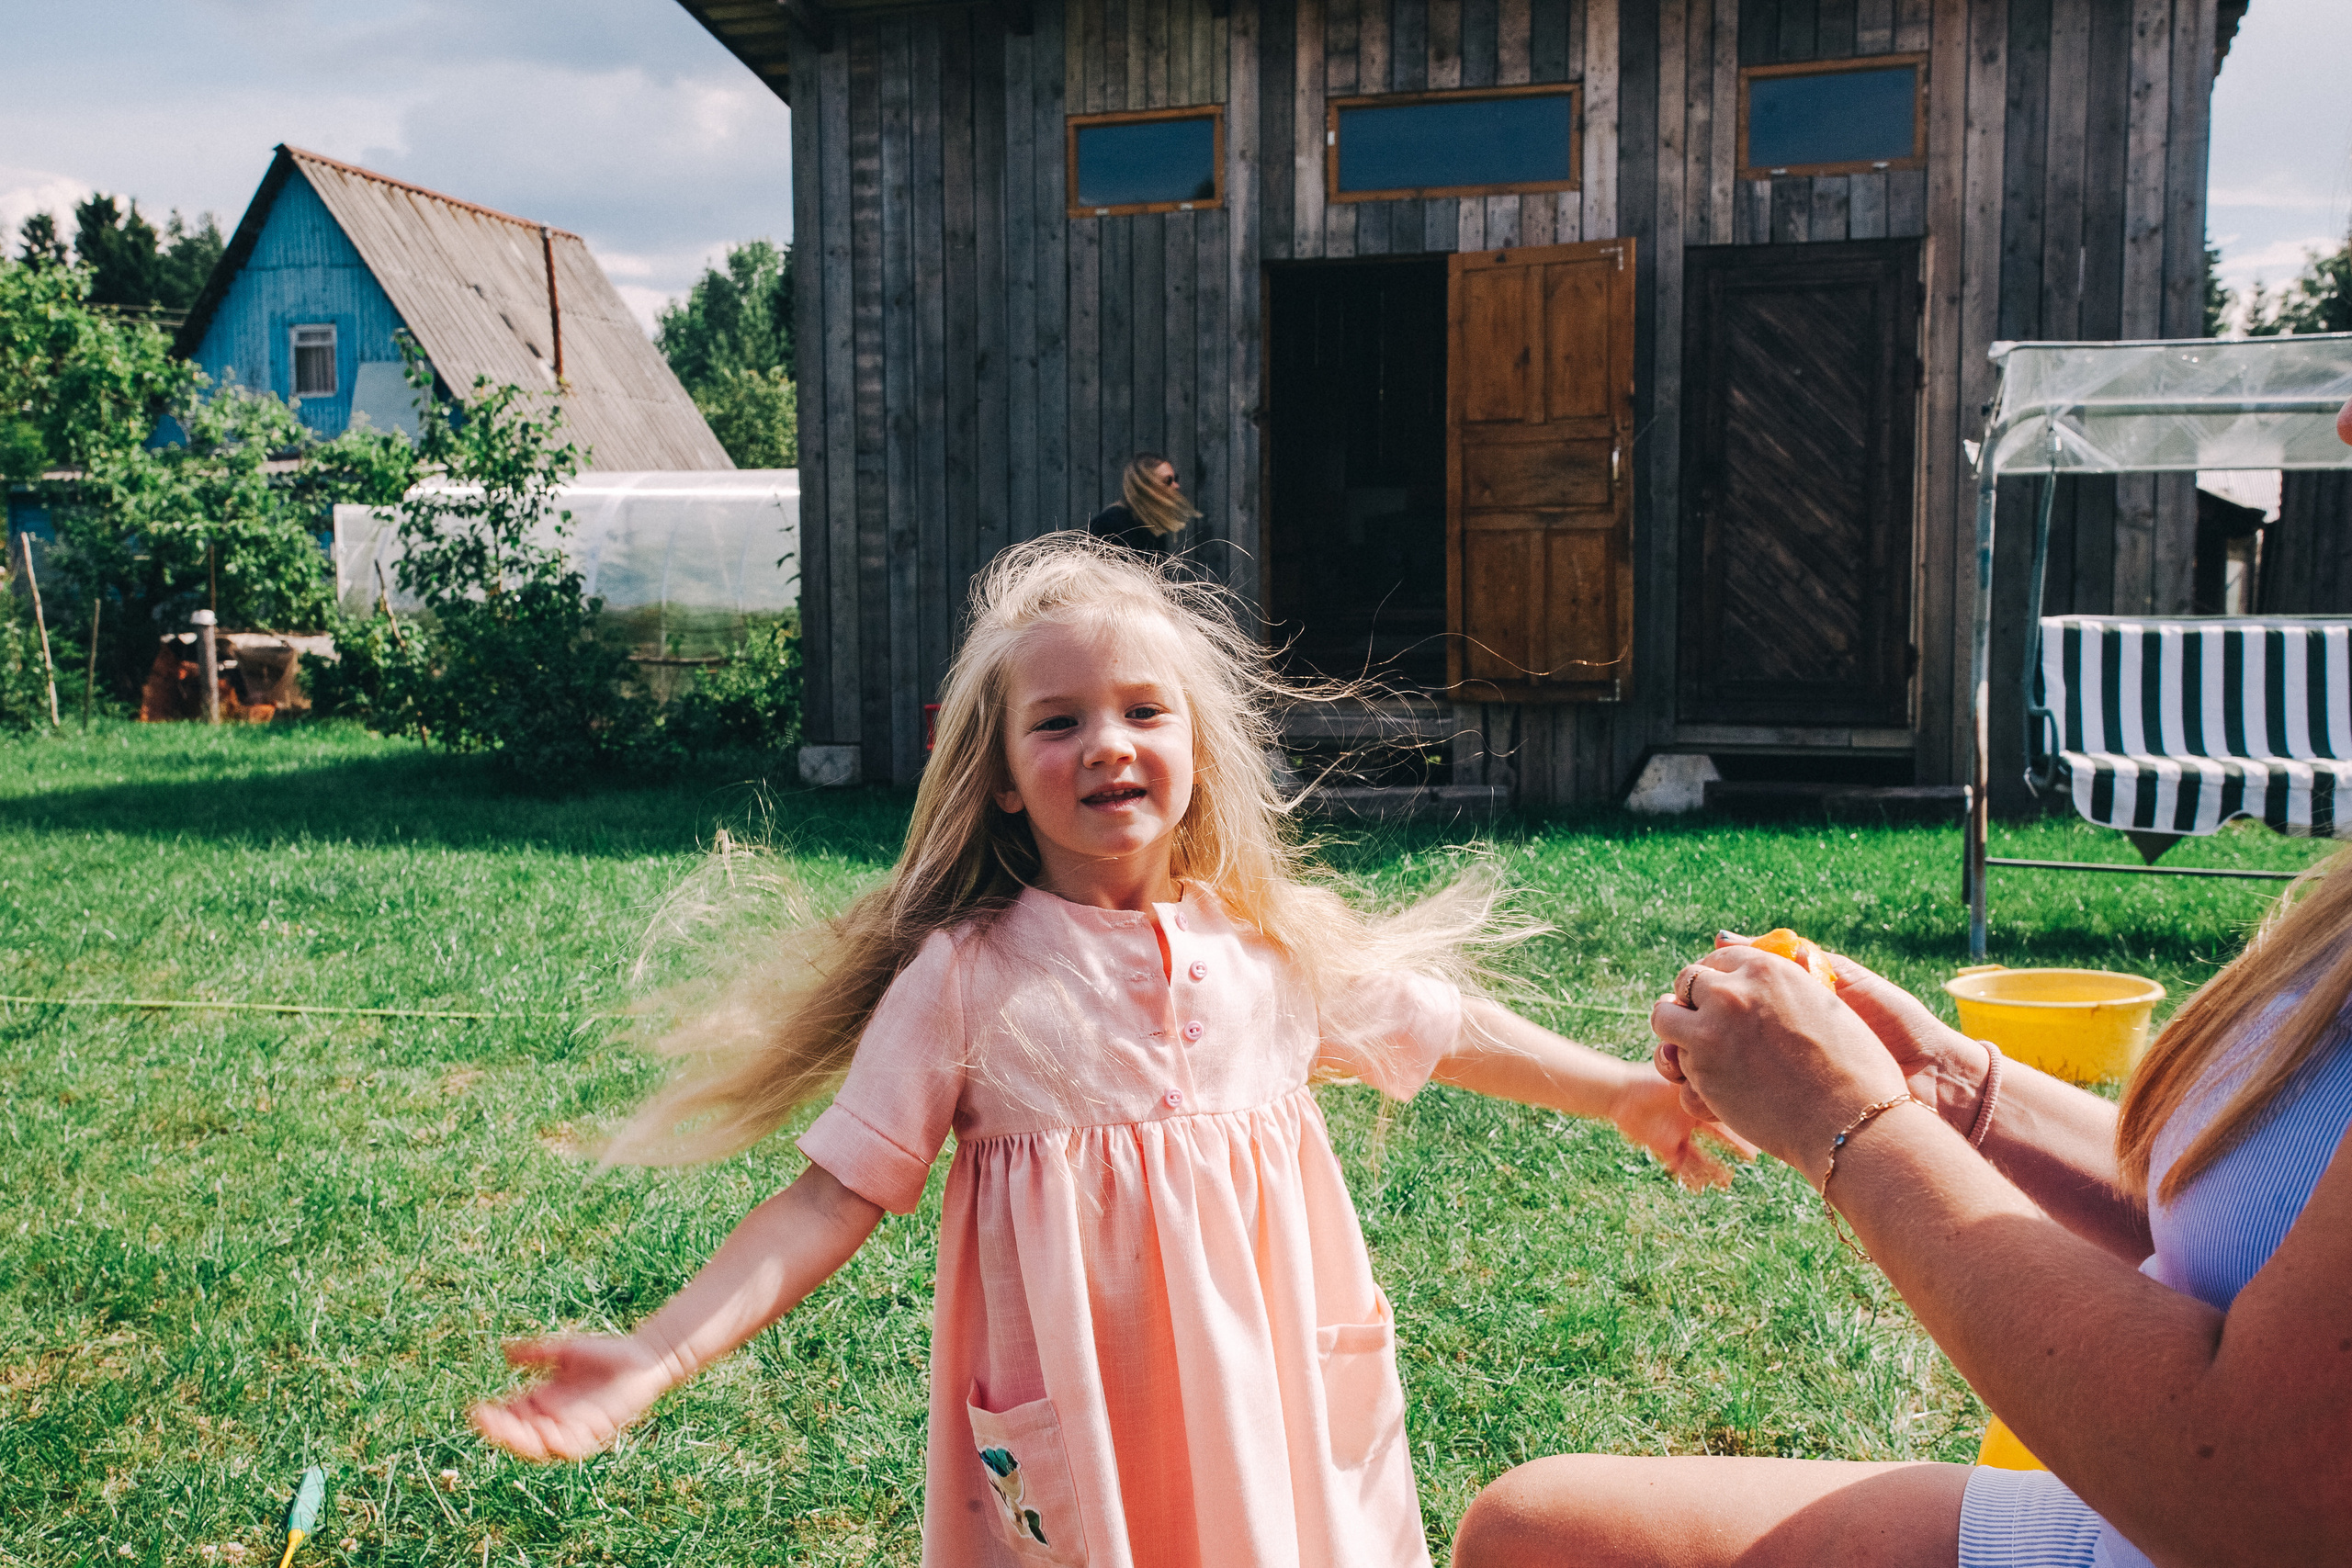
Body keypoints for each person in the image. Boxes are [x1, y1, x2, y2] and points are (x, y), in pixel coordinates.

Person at [470, 535, 1745, 1567]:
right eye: (1059, 719)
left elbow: (1446, 1027)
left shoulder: (1268, 950)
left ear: (1196, 747)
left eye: (1144, 708)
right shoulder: (966, 978)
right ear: (1005, 775)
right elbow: (832, 1194)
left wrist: (1625, 1093)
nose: (1108, 742)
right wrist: (659, 1350)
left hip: (1275, 1420)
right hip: (1089, 1428)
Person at [1451, 861, 2352, 1567]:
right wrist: (1947, 1086)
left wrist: (1844, 1114)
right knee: (1532, 1537)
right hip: (2147, 1523)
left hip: (2203, 1521)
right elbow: (2252, 1230)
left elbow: (2263, 1510)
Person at [1088, 450, 1198, 557]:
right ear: (1146, 486)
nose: (1176, 486)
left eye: (1175, 479)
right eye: (1168, 480)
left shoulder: (1151, 524)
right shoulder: (1108, 524)